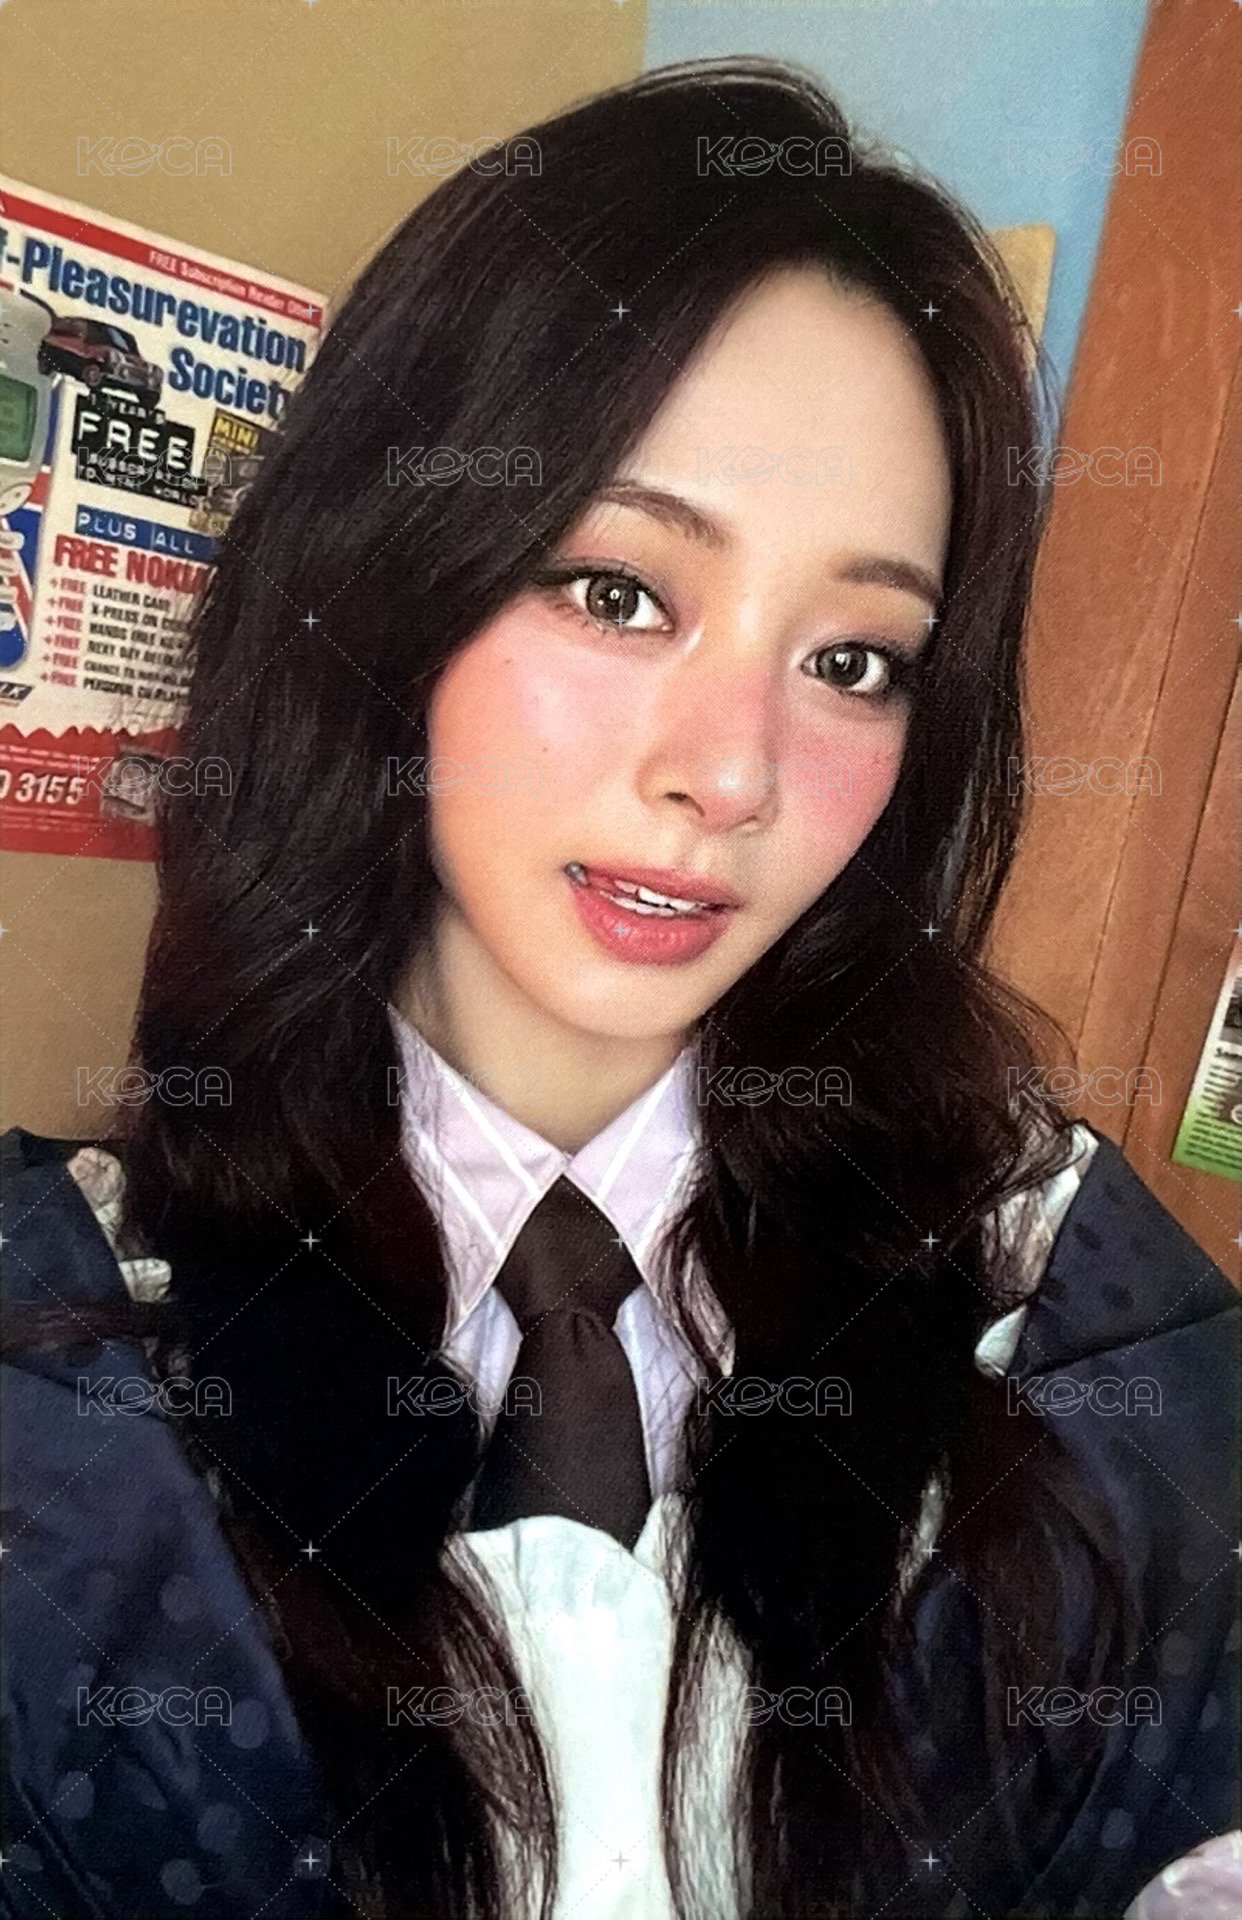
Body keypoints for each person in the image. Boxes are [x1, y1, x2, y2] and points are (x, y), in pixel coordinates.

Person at [1, 56, 1237, 1920]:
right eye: (616, 591)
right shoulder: (58, 1350)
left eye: (853, 659)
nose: (730, 774)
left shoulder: (1073, 1313)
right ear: (382, 583)